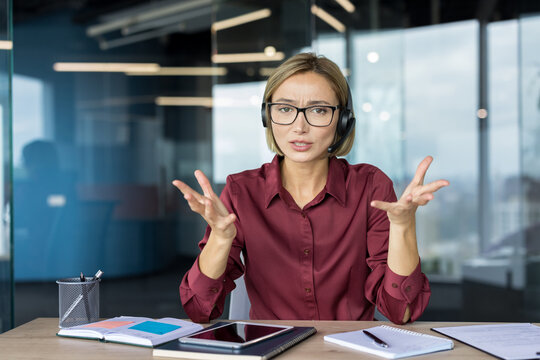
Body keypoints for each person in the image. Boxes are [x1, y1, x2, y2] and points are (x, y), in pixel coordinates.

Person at [173, 53, 449, 324]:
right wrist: (220, 240)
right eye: (285, 109)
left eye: (318, 110)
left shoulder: (370, 187)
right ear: (267, 117)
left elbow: (400, 312)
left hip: (348, 351)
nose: (299, 126)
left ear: (342, 121)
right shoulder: (241, 191)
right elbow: (199, 310)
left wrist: (403, 226)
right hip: (270, 350)